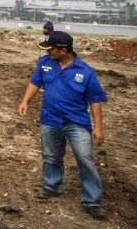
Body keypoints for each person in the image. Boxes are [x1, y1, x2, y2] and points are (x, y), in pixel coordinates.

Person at [17, 31, 108, 220]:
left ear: (63, 50)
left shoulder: (85, 71)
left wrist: (98, 128)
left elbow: (95, 101)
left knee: (85, 158)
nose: (48, 51)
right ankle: (52, 186)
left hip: (77, 122)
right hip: (50, 119)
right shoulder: (45, 64)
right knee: (50, 156)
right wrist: (25, 101)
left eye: (51, 48)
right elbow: (35, 83)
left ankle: (92, 201)